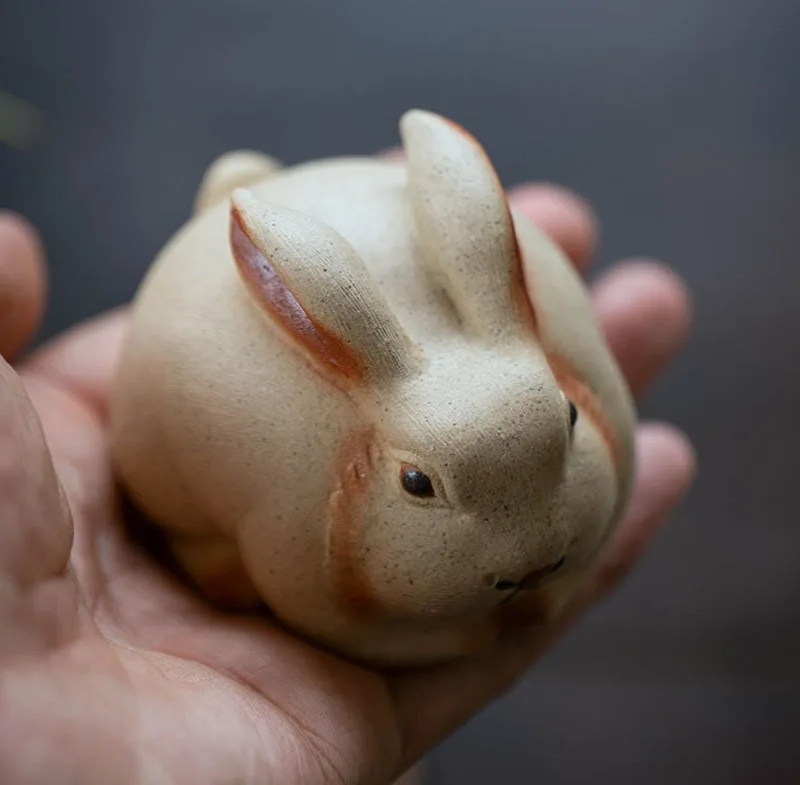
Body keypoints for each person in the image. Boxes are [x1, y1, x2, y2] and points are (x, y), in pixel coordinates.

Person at [0, 175, 695, 784]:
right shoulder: (300, 518)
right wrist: (409, 637)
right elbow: (306, 590)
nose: (528, 547)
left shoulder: (555, 360)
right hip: (191, 418)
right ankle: (202, 542)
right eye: (420, 485)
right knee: (178, 481)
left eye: (564, 426)